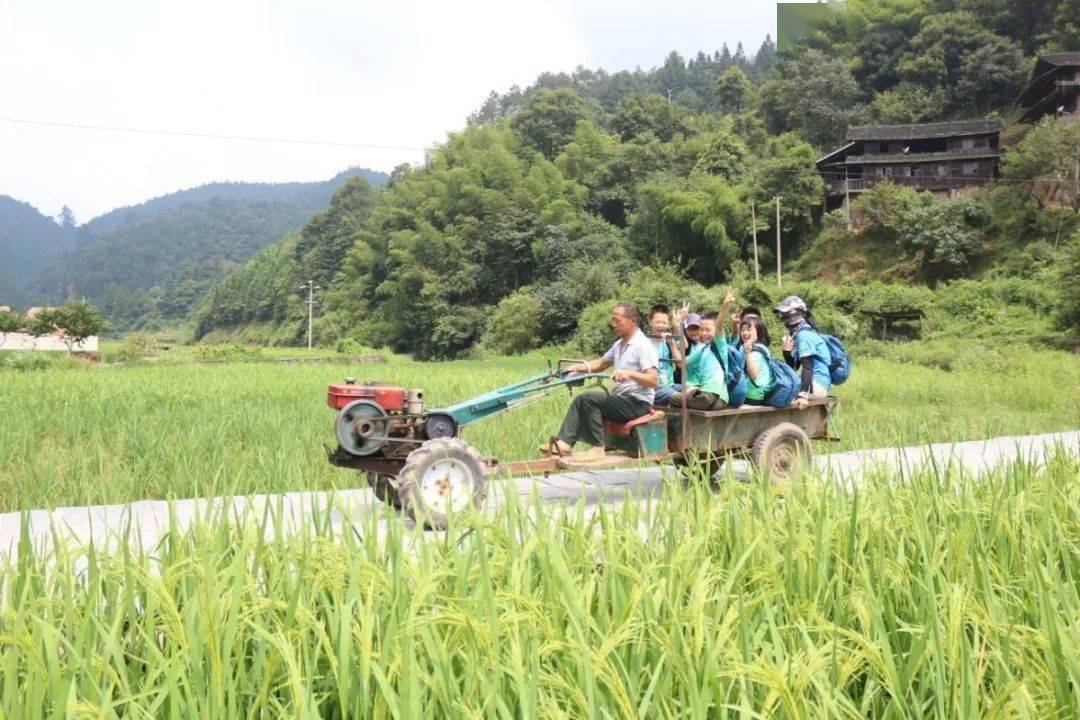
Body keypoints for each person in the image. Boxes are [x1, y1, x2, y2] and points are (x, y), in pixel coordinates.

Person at [545, 301, 659, 458]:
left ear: (632, 320)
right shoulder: (619, 344)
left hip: (638, 403)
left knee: (589, 399)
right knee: (582, 401)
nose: (613, 324)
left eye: (617, 320)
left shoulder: (642, 346)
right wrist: (577, 367)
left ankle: (597, 448)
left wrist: (630, 373)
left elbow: (653, 380)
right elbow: (599, 364)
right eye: (613, 320)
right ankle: (564, 443)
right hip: (623, 400)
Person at [776, 295, 830, 409]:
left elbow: (808, 367)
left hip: (816, 384)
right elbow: (794, 367)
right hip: (815, 383)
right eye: (783, 316)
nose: (784, 319)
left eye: (787, 315)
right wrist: (787, 352)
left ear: (797, 314)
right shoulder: (800, 333)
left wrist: (803, 395)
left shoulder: (804, 335)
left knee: (776, 392)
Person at [648, 304, 681, 407]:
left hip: (670, 385)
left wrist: (671, 343)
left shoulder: (667, 341)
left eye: (664, 322)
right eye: (657, 322)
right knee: (681, 397)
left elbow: (679, 363)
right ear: (650, 322)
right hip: (654, 388)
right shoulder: (645, 342)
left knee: (692, 390)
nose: (661, 325)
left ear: (668, 324)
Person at [739, 315, 775, 405]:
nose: (745, 333)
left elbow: (754, 375)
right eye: (742, 330)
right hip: (764, 394)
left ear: (759, 331)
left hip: (754, 396)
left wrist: (747, 353)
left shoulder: (755, 351)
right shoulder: (763, 348)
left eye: (749, 329)